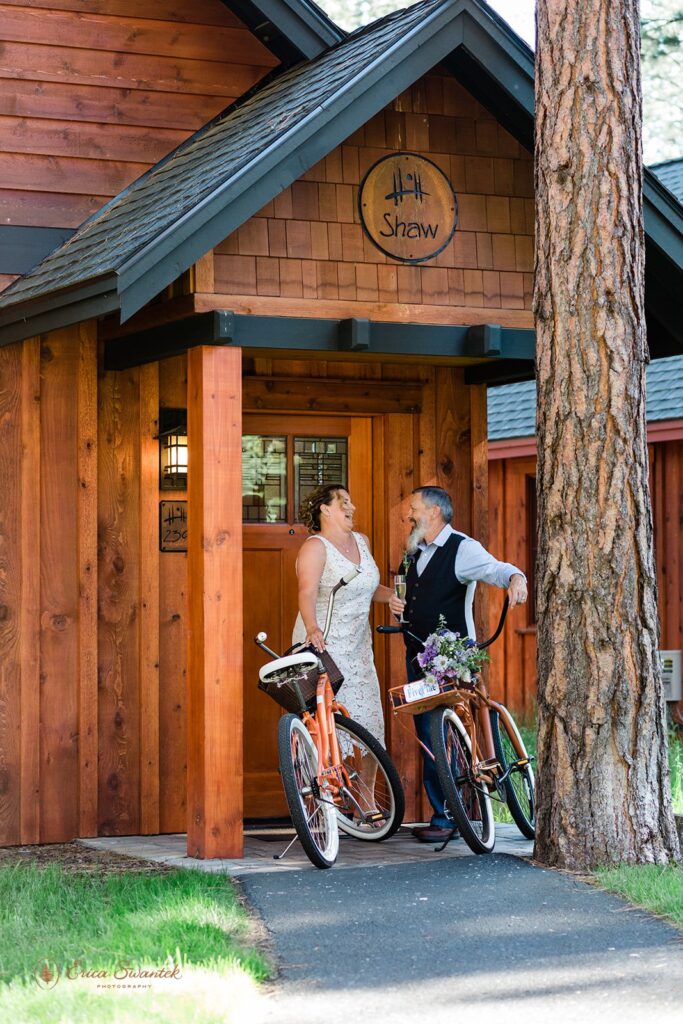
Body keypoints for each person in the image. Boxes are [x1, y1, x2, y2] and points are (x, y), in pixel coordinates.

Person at [388, 485, 527, 842]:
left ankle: (450, 814)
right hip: (416, 655)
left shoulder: (462, 548)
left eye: (414, 508)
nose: (410, 514)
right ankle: (445, 812)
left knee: (440, 730)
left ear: (434, 512)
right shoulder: (412, 550)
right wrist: (397, 604)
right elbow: (402, 587)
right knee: (427, 734)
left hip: (452, 658)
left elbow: (497, 569)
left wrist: (516, 579)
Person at [293, 483, 394, 744]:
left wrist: (393, 597)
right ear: (326, 509)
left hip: (359, 647)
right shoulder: (315, 547)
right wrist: (312, 628)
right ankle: (325, 782)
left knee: (370, 727)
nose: (352, 507)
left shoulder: (363, 541)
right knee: (327, 727)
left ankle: (368, 787)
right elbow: (307, 592)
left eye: (351, 502)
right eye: (344, 502)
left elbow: (367, 587)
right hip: (325, 642)